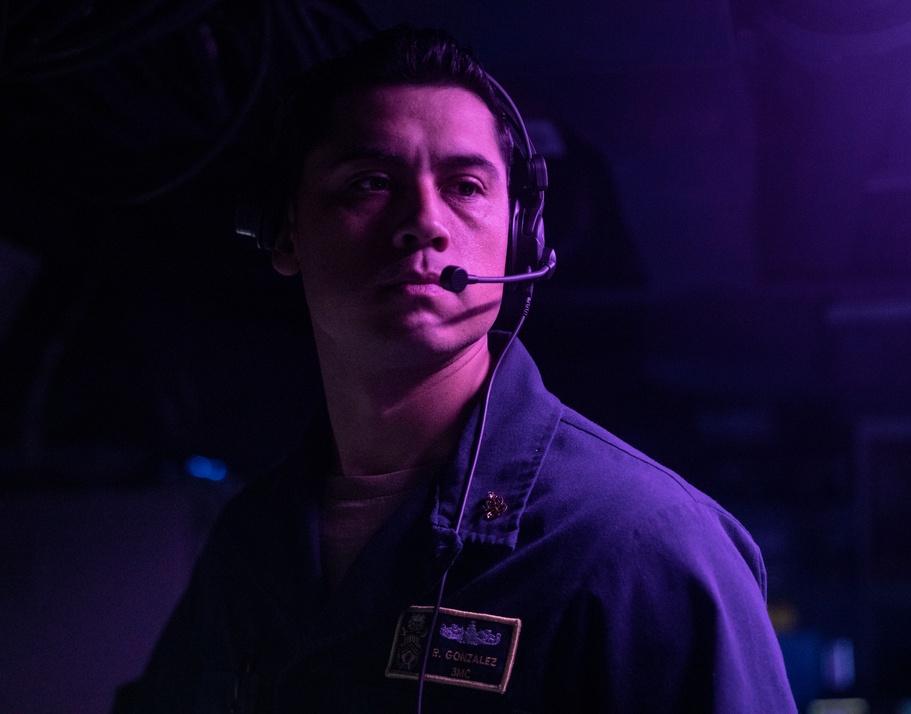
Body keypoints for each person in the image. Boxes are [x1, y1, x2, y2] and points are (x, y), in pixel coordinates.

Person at [113, 26, 796, 713]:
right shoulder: (253, 544)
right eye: (370, 183)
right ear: (284, 230)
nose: (424, 224)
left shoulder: (644, 546)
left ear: (518, 231)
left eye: (465, 185)